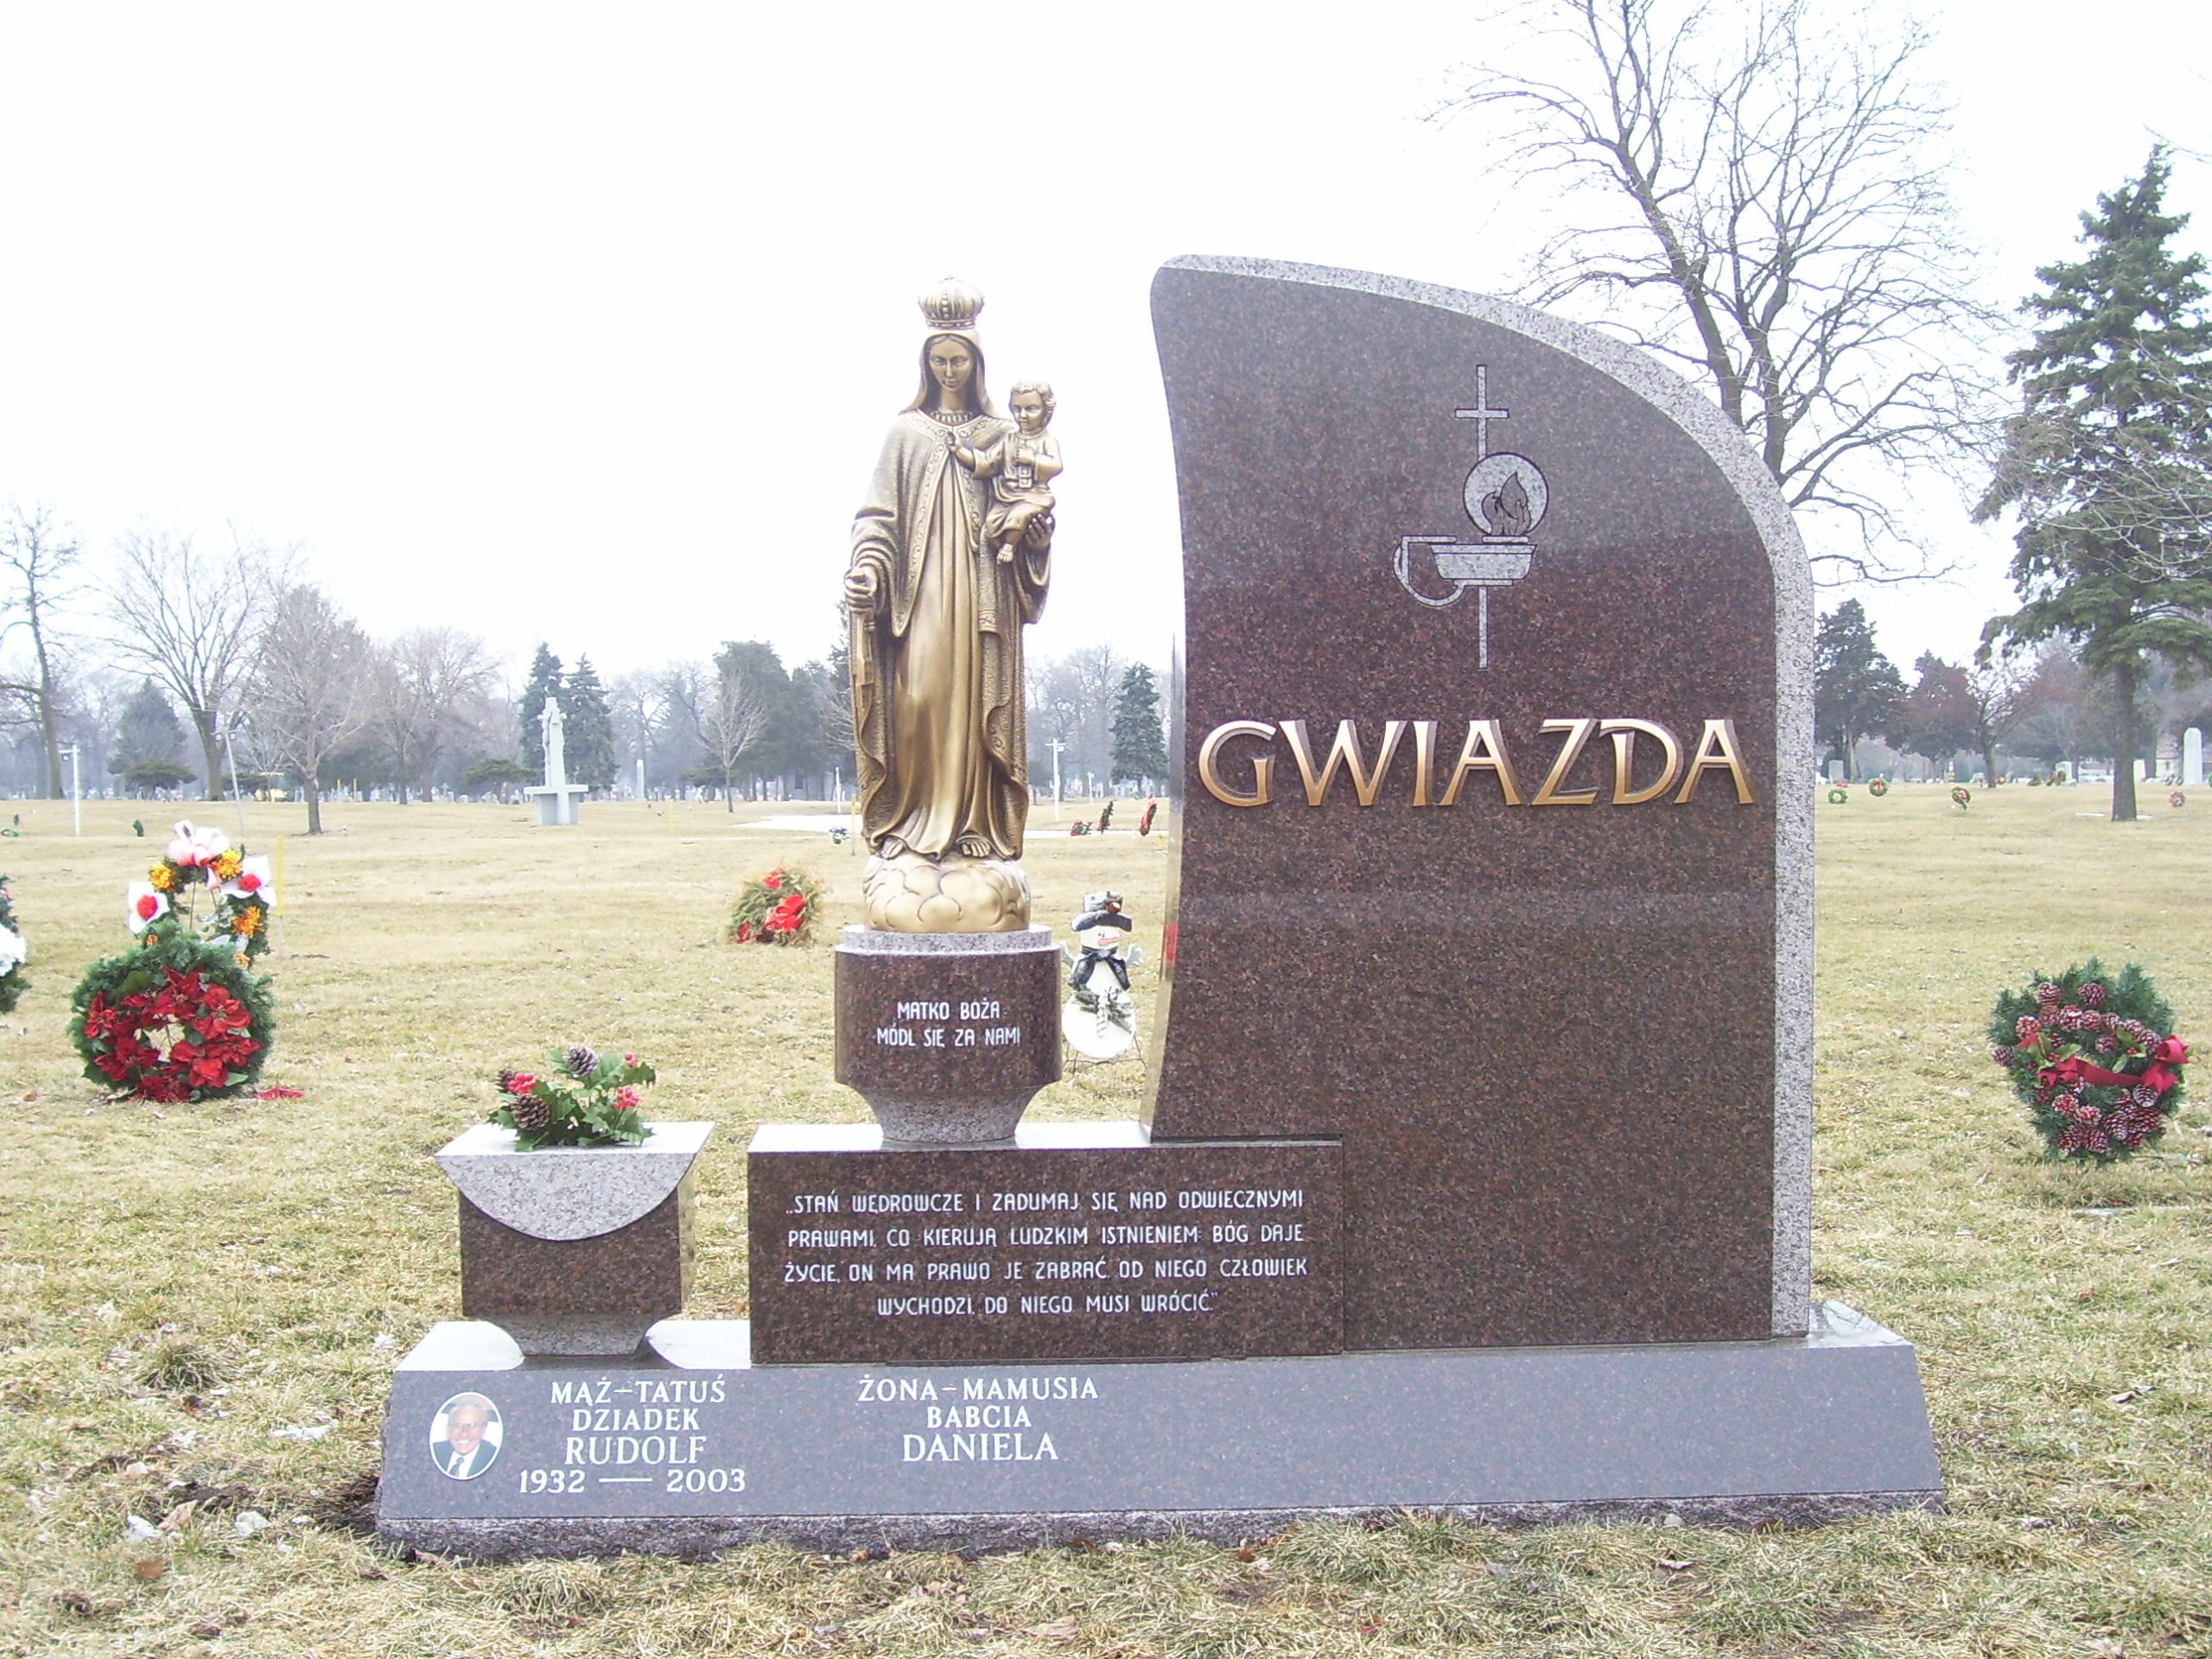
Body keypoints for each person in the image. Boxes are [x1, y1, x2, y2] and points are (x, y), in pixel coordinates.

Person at [844, 280, 1052, 867]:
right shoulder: (905, 434)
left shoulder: (1001, 436)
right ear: (925, 364)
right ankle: (913, 821)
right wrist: (867, 570)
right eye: (940, 360)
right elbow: (877, 518)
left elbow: (1027, 499)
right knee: (920, 695)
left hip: (985, 593)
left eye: (959, 359)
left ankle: (975, 826)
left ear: (977, 362)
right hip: (922, 593)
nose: (950, 369)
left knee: (977, 694)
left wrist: (1035, 539)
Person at [957, 380, 1061, 564]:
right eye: (1017, 409)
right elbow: (987, 461)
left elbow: (1056, 465)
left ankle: (1009, 546)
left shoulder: (1046, 440)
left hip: (1034, 496)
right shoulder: (1008, 439)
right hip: (1007, 497)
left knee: (1020, 515)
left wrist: (1032, 458)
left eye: (1031, 409)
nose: (1022, 415)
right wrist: (959, 451)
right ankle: (1002, 548)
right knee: (991, 524)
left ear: (1046, 410)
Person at [430, 1394, 499, 1479]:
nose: (464, 1433)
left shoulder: (495, 1459)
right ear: (448, 1428)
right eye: (457, 1425)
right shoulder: (434, 1451)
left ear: (484, 1429)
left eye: (473, 1425)